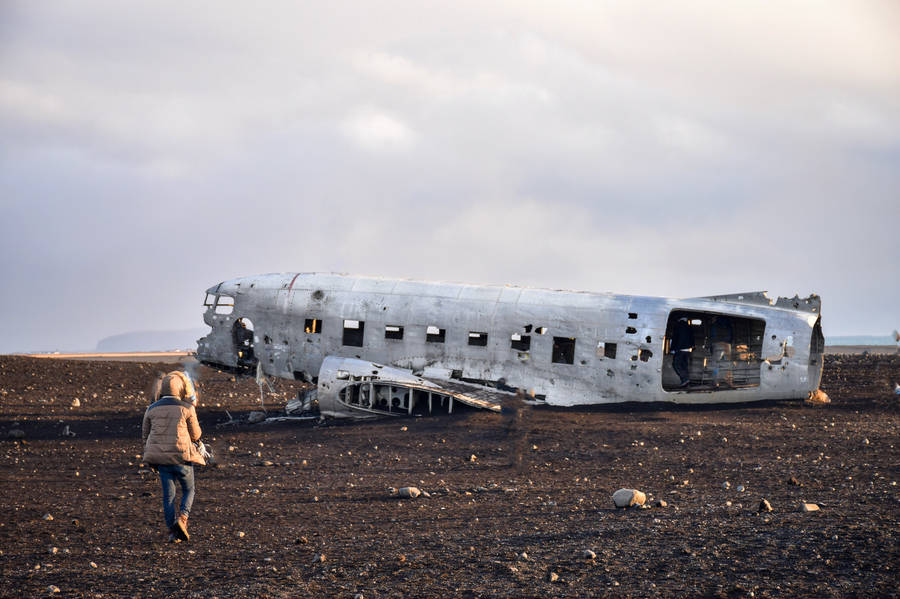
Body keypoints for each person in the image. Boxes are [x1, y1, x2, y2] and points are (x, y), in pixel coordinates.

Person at [142, 371, 206, 542]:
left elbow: (145, 434)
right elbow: (196, 434)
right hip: (182, 458)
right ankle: (183, 519)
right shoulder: (187, 408)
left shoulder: (151, 409)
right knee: (189, 489)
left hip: (162, 461)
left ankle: (172, 532)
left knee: (168, 496)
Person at [671, 316, 694, 387]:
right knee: (684, 365)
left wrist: (672, 348)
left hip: (680, 348)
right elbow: (692, 337)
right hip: (688, 349)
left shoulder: (678, 325)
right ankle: (686, 382)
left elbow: (675, 338)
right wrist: (693, 346)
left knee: (676, 364)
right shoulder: (689, 326)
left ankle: (685, 379)